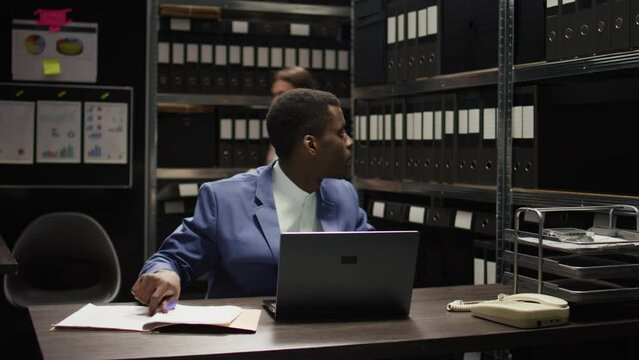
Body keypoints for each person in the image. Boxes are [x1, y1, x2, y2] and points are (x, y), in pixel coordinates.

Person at [132, 89, 373, 314]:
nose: (350, 141)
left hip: (330, 331)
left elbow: (375, 257)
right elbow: (172, 258)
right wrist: (165, 274)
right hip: (249, 338)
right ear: (311, 145)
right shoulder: (225, 199)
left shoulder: (344, 195)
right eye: (341, 133)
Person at [265, 66, 317, 163]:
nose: (275, 101)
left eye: (282, 94)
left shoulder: (319, 132)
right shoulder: (280, 130)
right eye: (274, 95)